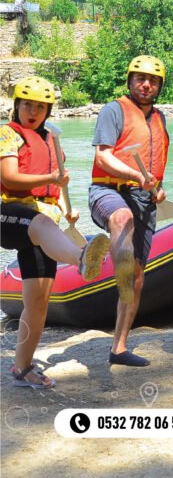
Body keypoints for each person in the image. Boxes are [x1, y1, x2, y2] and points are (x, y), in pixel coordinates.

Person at [1, 76, 109, 388]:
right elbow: (9, 177)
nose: (32, 112)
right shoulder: (7, 135)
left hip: (42, 221)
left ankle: (22, 368)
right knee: (42, 224)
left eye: (40, 107)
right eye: (27, 105)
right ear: (17, 105)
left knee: (38, 302)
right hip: (9, 214)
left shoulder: (52, 141)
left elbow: (56, 189)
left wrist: (66, 208)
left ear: (48, 111)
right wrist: (51, 177)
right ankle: (81, 258)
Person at [89, 55, 170, 367]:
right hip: (108, 191)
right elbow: (103, 157)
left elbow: (155, 166)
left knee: (136, 276)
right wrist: (136, 175)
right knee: (122, 218)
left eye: (153, 81)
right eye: (140, 79)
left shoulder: (160, 119)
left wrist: (157, 189)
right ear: (130, 80)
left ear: (159, 86)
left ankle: (119, 348)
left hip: (143, 199)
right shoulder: (113, 110)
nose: (146, 85)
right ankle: (108, 262)